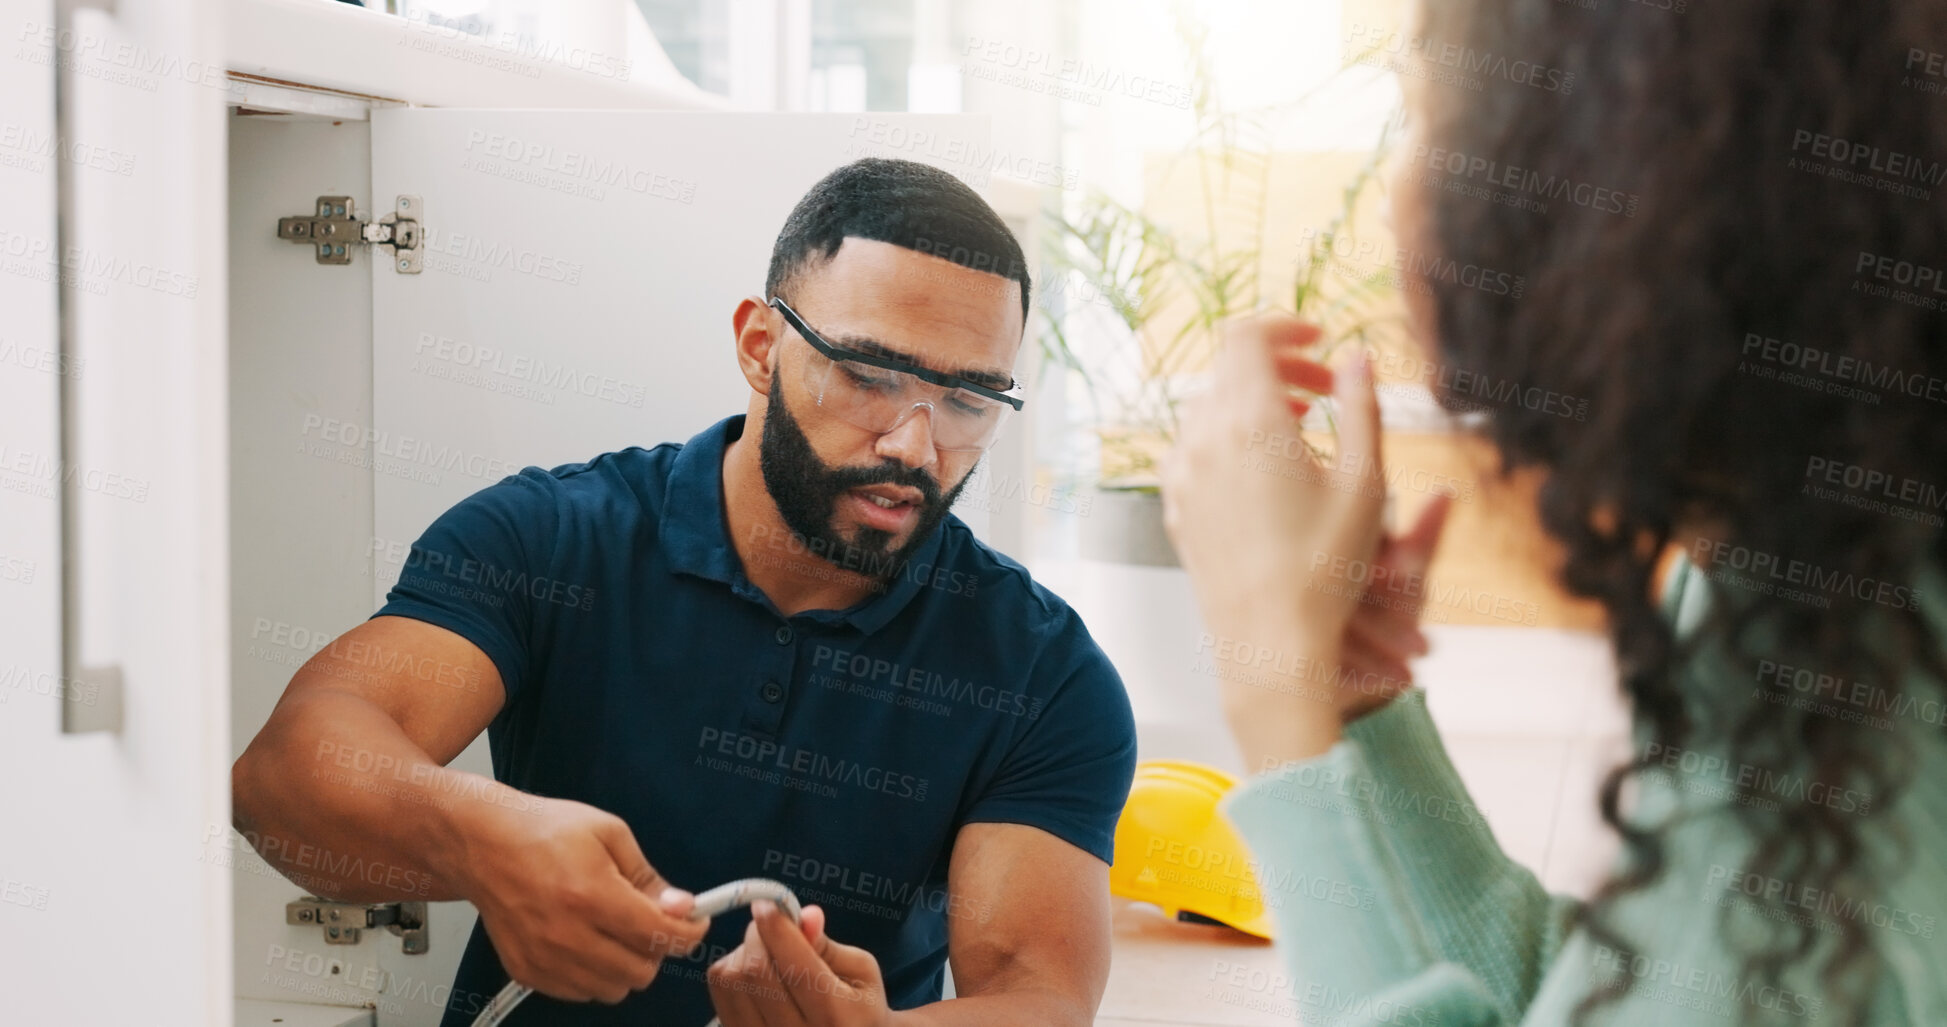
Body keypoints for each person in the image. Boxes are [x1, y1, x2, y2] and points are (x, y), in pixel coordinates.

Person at [1163, 2, 1947, 1025]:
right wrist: (1350, 702)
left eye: (1419, 120)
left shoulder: (1862, 728)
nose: (1398, 192)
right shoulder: (1806, 592)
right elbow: (1597, 998)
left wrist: (1275, 698)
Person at [233, 158, 1146, 1027]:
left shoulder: (1041, 670)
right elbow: (283, 775)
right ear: (760, 344)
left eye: (968, 400)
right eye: (870, 374)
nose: (915, 443)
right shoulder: (550, 537)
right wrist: (480, 839)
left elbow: (1040, 989)